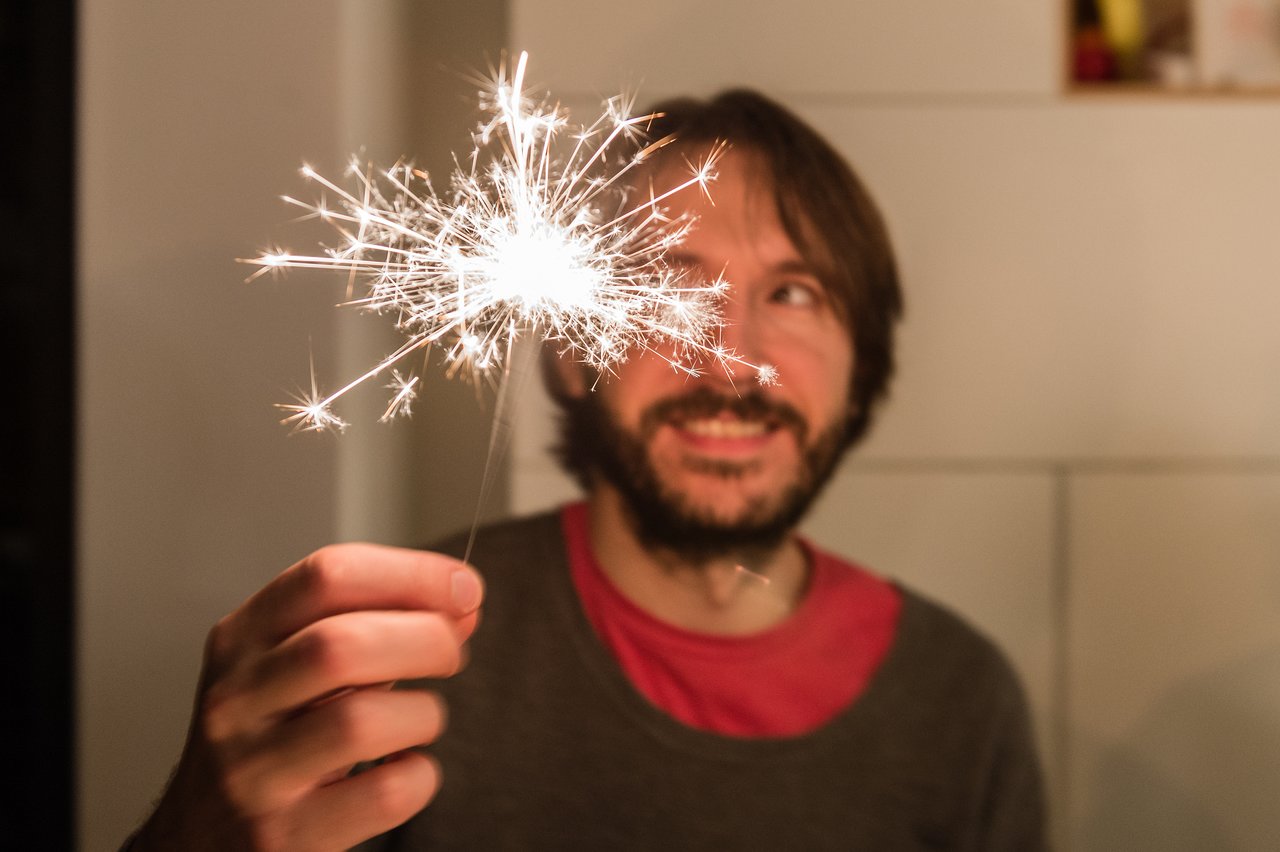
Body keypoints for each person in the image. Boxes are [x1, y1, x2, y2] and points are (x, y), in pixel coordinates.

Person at [130, 91, 1045, 851]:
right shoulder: (393, 665)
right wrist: (190, 834)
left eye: (795, 293)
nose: (731, 361)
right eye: (670, 285)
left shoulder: (961, 697)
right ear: (573, 353)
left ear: (862, 362)